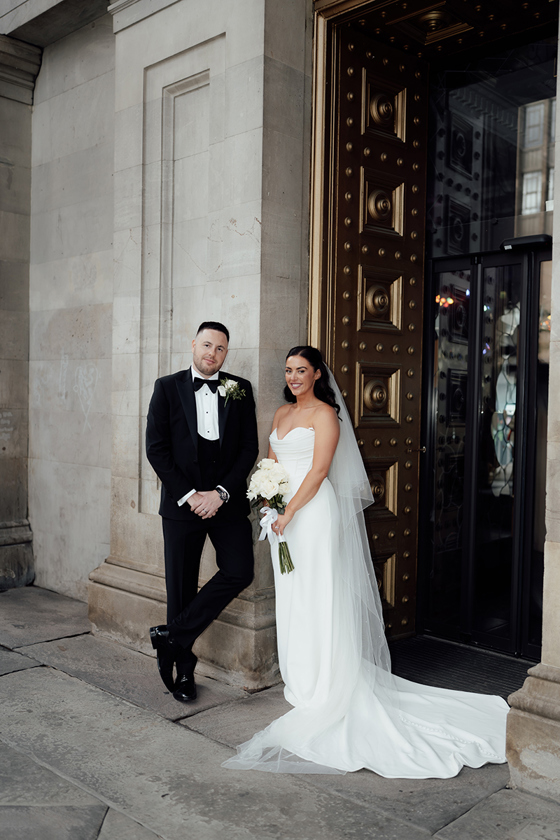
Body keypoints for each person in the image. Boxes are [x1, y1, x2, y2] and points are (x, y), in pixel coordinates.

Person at [223, 345, 509, 777]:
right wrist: (268, 499)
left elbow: (319, 471)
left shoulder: (325, 415)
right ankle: (301, 678)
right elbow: (272, 463)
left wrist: (290, 510)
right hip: (283, 517)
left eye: (301, 370)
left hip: (311, 514)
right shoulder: (282, 414)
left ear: (317, 374)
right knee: (294, 594)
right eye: (288, 370)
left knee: (319, 593)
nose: (293, 377)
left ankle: (326, 683)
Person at [145, 322, 258, 702]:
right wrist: (191, 496)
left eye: (220, 348)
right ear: (194, 345)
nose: (212, 353)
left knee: (240, 570)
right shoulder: (166, 387)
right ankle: (184, 671)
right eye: (207, 345)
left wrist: (222, 493)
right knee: (180, 588)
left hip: (226, 503)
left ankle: (171, 636)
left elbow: (249, 447)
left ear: (226, 353)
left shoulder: (240, 388)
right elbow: (156, 448)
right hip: (183, 506)